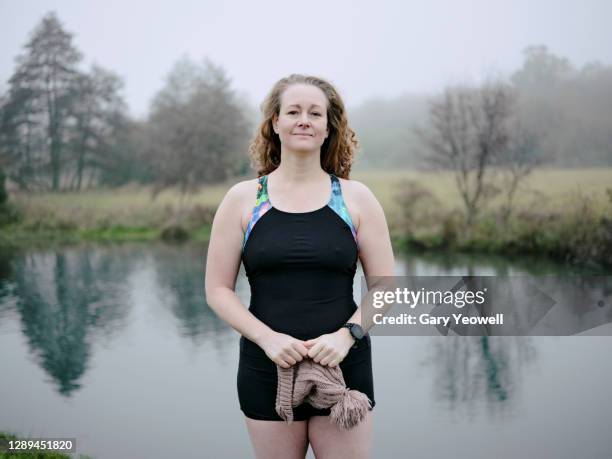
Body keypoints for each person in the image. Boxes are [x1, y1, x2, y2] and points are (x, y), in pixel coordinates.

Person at [205, 74, 395, 459]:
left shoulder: (356, 198)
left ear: (329, 127)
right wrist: (268, 339)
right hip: (265, 368)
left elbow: (386, 286)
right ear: (275, 123)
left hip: (344, 370)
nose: (303, 120)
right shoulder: (244, 199)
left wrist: (346, 336)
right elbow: (218, 291)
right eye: (293, 111)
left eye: (315, 113)